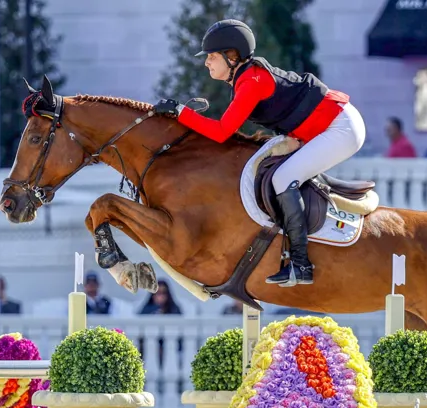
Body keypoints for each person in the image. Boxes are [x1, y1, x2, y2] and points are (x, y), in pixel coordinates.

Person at [151, 19, 367, 287]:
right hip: (325, 126)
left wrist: (181, 112)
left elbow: (221, 132)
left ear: (232, 56)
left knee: (283, 177)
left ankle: (301, 264)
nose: (207, 62)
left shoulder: (252, 80)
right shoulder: (245, 78)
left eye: (212, 56)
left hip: (341, 128)